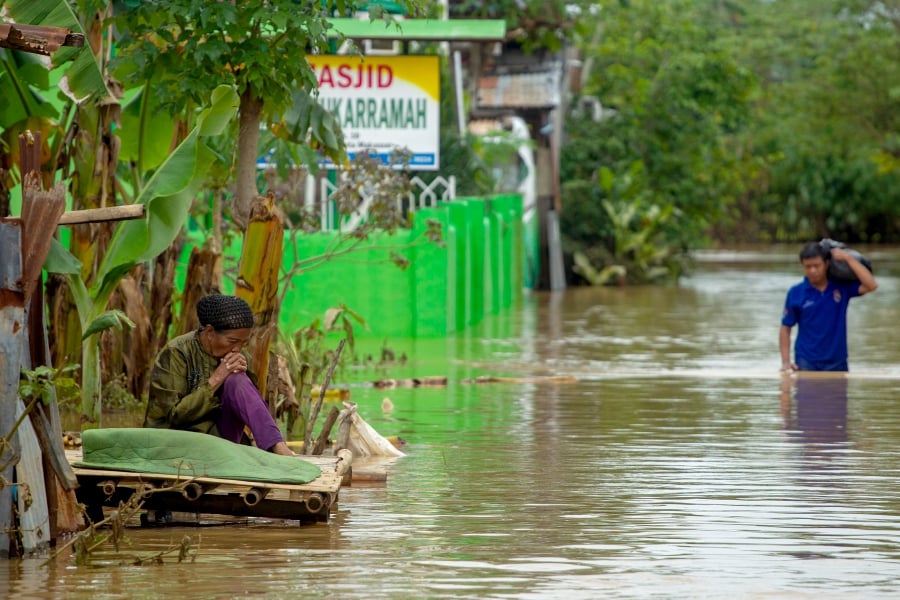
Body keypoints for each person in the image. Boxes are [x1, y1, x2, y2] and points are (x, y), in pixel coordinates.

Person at [144, 294, 295, 456]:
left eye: (243, 342)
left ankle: (277, 446)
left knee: (237, 380)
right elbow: (175, 416)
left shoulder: (239, 356)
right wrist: (217, 378)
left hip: (219, 440)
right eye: (232, 341)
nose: (237, 349)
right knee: (233, 378)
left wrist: (245, 375)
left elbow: (249, 407)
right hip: (174, 441)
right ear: (209, 331)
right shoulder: (176, 352)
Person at [780, 242, 877, 372]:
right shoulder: (796, 292)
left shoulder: (841, 288)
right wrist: (786, 363)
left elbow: (871, 285)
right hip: (806, 362)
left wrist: (848, 258)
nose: (812, 271)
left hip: (837, 361)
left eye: (816, 265)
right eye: (808, 266)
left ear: (826, 264)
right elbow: (785, 328)